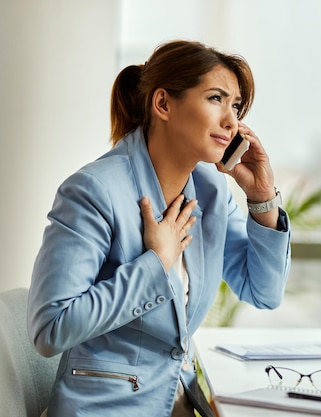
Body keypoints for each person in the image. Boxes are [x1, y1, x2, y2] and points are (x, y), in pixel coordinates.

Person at [27, 40, 291, 416]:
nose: (232, 120)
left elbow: (264, 292)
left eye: (235, 105)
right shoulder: (94, 191)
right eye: (216, 98)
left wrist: (262, 199)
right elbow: (50, 328)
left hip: (177, 403)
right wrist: (156, 262)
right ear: (163, 104)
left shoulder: (211, 190)